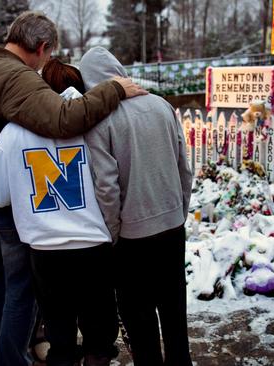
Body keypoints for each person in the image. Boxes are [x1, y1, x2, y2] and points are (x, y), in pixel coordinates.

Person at [0, 11, 146, 366]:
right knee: (22, 293)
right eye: (49, 55)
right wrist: (114, 89)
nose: (46, 63)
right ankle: (10, 360)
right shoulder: (18, 78)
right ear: (40, 48)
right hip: (15, 205)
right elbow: (63, 120)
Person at [0, 59, 118, 366]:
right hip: (93, 246)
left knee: (59, 338)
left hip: (46, 250)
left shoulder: (13, 133)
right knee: (99, 339)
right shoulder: (89, 123)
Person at [81, 47, 193, 366]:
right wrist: (179, 212)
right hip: (172, 227)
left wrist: (114, 233)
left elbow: (106, 187)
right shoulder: (162, 106)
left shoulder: (100, 122)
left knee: (139, 320)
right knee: (174, 313)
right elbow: (184, 167)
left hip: (132, 237)